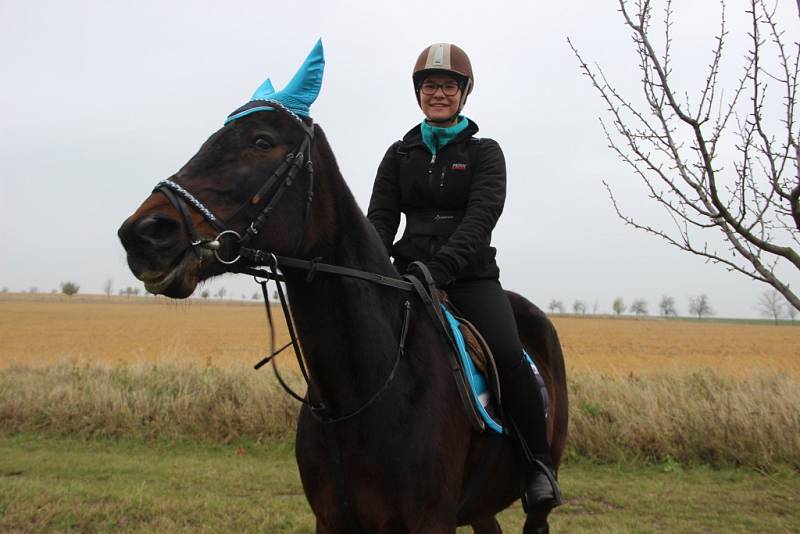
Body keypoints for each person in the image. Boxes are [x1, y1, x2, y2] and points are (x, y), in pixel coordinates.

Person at [367, 43, 562, 511]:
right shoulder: (398, 155)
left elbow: (481, 219)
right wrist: (372, 269)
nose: (439, 93)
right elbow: (379, 221)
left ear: (463, 94)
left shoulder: (485, 153)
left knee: (509, 356)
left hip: (471, 277)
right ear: (419, 93)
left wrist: (441, 269)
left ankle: (537, 467)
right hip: (408, 275)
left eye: (448, 86)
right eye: (430, 86)